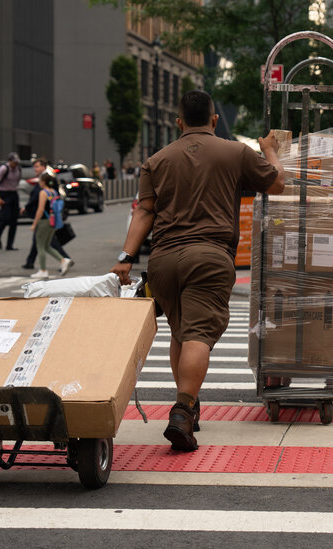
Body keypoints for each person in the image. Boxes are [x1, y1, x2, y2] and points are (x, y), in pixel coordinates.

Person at [111, 90, 285, 452]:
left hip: (162, 260)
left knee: (180, 331)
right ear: (214, 119)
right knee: (198, 335)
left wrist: (126, 257)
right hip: (209, 256)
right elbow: (277, 183)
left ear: (178, 121)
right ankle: (182, 410)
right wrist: (269, 149)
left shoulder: (156, 160)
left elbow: (144, 212)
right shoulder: (235, 152)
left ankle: (188, 407)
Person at [22, 157, 71, 270]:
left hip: (45, 217)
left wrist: (34, 222)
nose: (35, 169)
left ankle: (60, 261)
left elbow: (40, 206)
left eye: (37, 166)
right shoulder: (50, 185)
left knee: (42, 245)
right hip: (51, 217)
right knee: (43, 243)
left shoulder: (44, 185)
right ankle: (31, 262)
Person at [29, 171, 73, 279]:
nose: (39, 182)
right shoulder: (53, 192)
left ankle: (43, 270)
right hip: (53, 221)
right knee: (47, 246)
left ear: (43, 182)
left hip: (44, 221)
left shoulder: (43, 192)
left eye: (40, 180)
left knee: (40, 246)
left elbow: (40, 209)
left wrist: (34, 223)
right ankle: (63, 260)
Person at [0, 152, 22, 250]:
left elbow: (17, 181)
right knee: (5, 218)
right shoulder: (4, 168)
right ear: (9, 161)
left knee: (14, 221)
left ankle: (10, 244)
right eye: (14, 162)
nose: (16, 164)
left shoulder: (18, 169)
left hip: (14, 194)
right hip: (4, 194)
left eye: (17, 162)